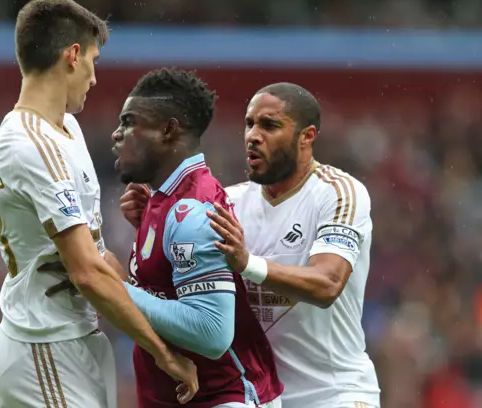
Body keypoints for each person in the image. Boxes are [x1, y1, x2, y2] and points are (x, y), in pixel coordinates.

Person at [0, 0, 198, 408]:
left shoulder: (66, 128)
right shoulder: (30, 144)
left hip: (73, 339)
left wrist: (157, 311)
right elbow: (85, 272)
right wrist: (162, 351)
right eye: (94, 61)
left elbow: (97, 258)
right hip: (44, 346)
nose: (94, 77)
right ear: (72, 55)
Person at [121, 83, 381, 408]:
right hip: (261, 396)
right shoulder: (226, 201)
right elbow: (183, 292)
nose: (253, 135)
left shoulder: (338, 193)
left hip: (334, 393)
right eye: (249, 123)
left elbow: (327, 284)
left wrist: (247, 263)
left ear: (307, 136)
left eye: (269, 125)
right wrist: (155, 227)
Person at [111, 67, 283, 408]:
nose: (117, 134)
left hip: (222, 397)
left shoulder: (193, 211)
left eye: (129, 122)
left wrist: (114, 287)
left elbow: (212, 332)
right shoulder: (161, 200)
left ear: (167, 130)